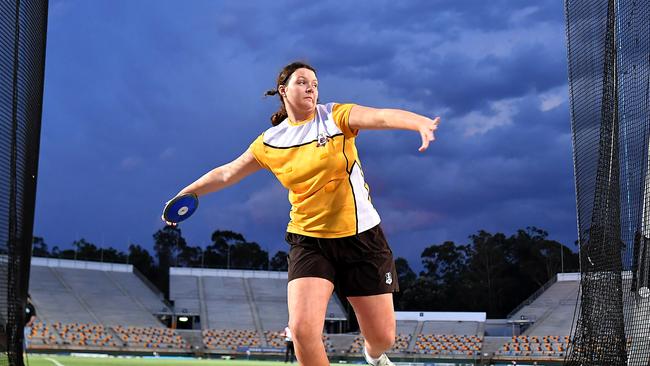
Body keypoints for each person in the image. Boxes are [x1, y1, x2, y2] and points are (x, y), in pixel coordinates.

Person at [163, 61, 440, 366]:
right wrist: (186, 193)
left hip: (361, 239)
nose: (311, 88)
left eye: (315, 84)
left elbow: (381, 117)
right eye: (303, 82)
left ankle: (374, 357)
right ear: (283, 90)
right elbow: (227, 173)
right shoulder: (271, 142)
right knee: (301, 330)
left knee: (382, 337)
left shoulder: (334, 116)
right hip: (310, 241)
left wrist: (419, 122)